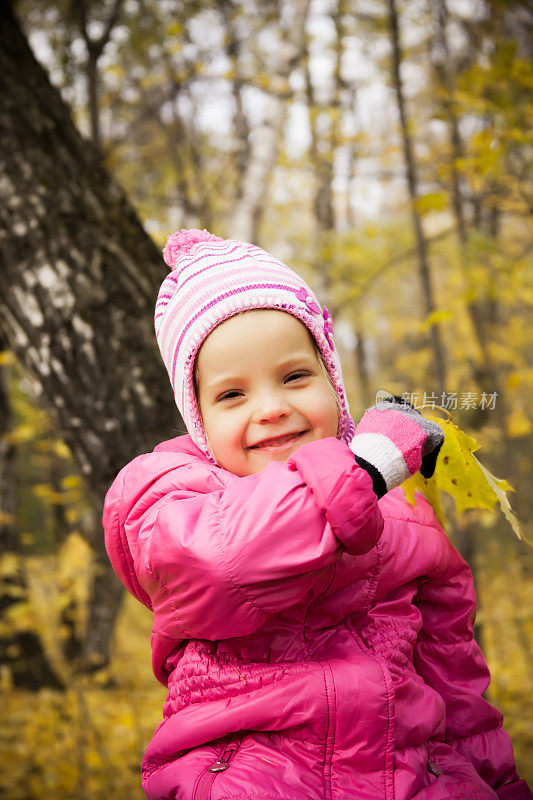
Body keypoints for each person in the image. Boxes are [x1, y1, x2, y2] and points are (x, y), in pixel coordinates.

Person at [103, 228, 531, 800]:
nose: (273, 409)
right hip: (252, 776)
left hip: (412, 777)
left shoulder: (405, 511)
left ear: (332, 382)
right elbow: (226, 561)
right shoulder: (169, 493)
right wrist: (369, 468)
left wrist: (496, 783)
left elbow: (454, 676)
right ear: (198, 416)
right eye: (233, 395)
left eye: (295, 377)